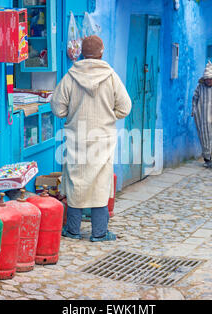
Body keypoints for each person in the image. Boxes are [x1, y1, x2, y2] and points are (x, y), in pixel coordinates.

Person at [51, 35, 132, 242]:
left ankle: (73, 230)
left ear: (81, 53)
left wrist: (74, 112)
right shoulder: (111, 76)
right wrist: (106, 117)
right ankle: (99, 232)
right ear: (101, 52)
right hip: (102, 138)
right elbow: (125, 107)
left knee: (75, 181)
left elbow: (58, 109)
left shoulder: (70, 77)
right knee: (100, 183)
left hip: (77, 136)